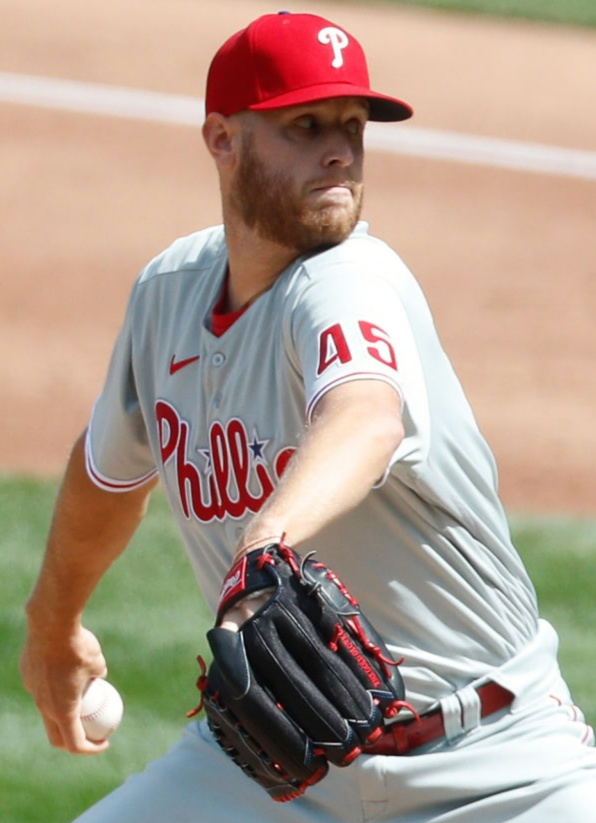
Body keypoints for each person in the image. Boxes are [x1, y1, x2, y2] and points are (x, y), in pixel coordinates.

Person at [20, 11, 596, 823]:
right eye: (306, 126)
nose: (340, 151)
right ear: (222, 139)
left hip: (496, 765)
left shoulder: (349, 281)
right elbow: (107, 470)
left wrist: (266, 539)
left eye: (353, 127)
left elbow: (365, 416)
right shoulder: (169, 293)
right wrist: (52, 622)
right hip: (275, 775)